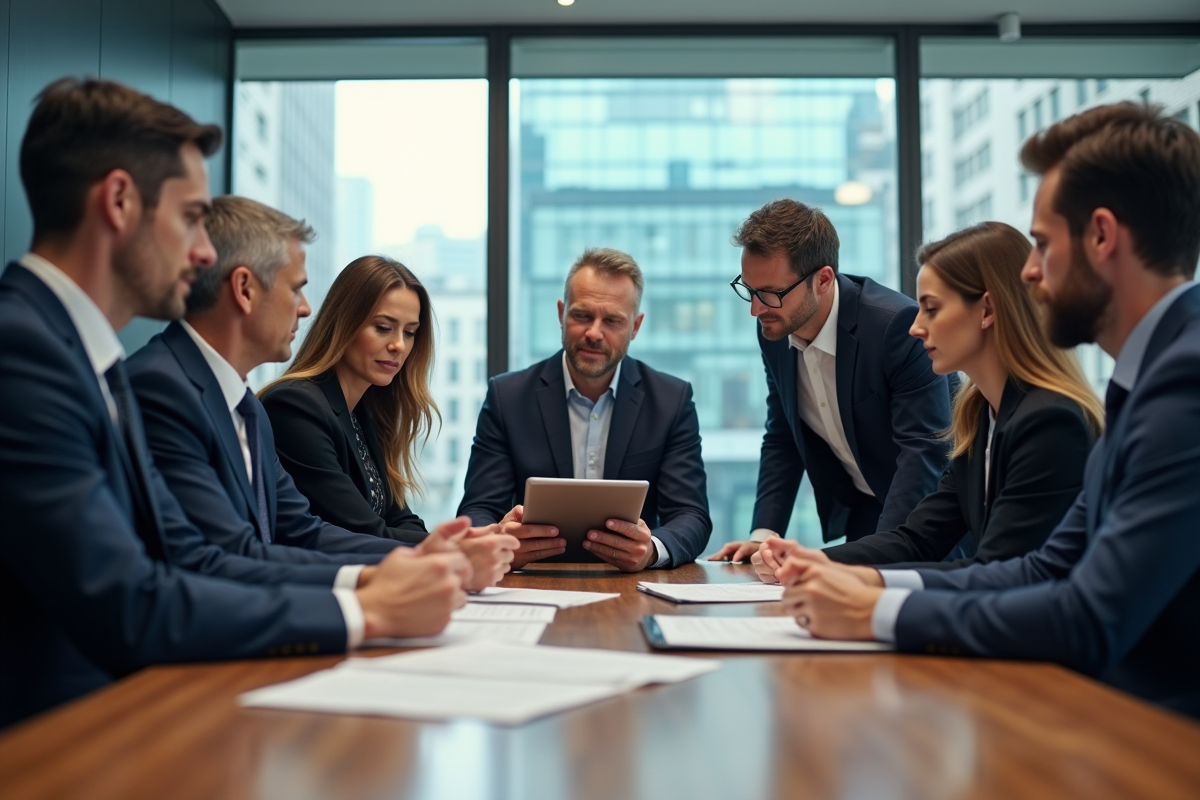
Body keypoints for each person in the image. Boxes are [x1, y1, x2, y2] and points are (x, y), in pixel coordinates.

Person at [0, 78, 468, 727]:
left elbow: (191, 558)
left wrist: (384, 579)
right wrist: (365, 608)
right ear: (119, 202)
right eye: (191, 217)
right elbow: (131, 600)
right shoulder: (26, 352)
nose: (202, 253)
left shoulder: (95, 362)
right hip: (59, 737)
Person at [778, 102, 1200, 718]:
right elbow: (1044, 568)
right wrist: (866, 582)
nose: (1029, 272)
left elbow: (1087, 614)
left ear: (1102, 236)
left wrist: (879, 609)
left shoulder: (1182, 384)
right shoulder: (1143, 380)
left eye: (1043, 244)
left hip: (1153, 734)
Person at [127, 197, 517, 592]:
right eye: (296, 289)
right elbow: (228, 557)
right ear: (244, 289)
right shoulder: (185, 391)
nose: (305, 308)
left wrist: (446, 552)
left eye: (410, 332)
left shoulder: (253, 409)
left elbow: (304, 531)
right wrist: (401, 581)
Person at [752, 221, 1102, 582]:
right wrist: (809, 561)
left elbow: (1000, 574)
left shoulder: (1050, 422)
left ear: (986, 311)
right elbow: (917, 540)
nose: (915, 327)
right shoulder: (979, 416)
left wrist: (872, 588)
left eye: (931, 309)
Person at [710, 200, 953, 563]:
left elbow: (923, 452)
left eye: (771, 293)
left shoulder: (895, 327)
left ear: (823, 280)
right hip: (865, 512)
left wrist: (876, 559)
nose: (756, 309)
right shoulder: (774, 330)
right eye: (749, 289)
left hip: (930, 525)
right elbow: (783, 434)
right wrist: (763, 534)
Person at [457, 248, 712, 571]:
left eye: (612, 321)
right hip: (532, 582)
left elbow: (691, 515)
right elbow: (477, 508)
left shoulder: (670, 400)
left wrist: (651, 550)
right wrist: (499, 542)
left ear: (635, 327)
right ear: (561, 314)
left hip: (630, 585)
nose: (594, 333)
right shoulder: (507, 397)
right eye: (582, 316)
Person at [259, 256, 438, 545]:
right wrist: (461, 548)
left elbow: (399, 518)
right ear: (344, 323)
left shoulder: (367, 410)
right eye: (383, 328)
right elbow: (365, 532)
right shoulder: (295, 407)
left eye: (409, 333)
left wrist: (470, 544)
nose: (399, 345)